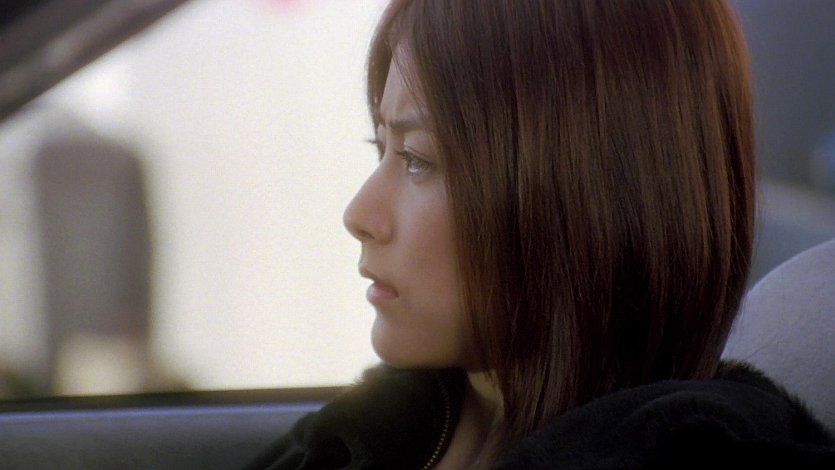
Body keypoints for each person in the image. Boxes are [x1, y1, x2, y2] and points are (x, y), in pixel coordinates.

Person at [249, 0, 835, 468]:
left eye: (418, 159)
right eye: (381, 148)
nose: (359, 213)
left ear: (581, 193)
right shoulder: (357, 436)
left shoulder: (696, 448)